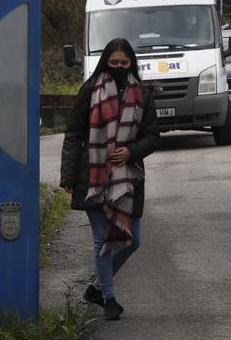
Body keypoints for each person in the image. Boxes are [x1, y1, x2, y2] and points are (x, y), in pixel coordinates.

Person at [60, 38, 160, 321]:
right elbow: (74, 134)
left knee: (133, 240)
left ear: (131, 64)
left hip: (127, 179)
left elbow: (153, 137)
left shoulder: (143, 93)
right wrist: (68, 175)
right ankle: (109, 298)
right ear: (106, 61)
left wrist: (130, 151)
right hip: (91, 175)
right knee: (100, 240)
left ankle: (96, 287)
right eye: (113, 63)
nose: (117, 67)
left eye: (123, 63)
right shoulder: (89, 89)